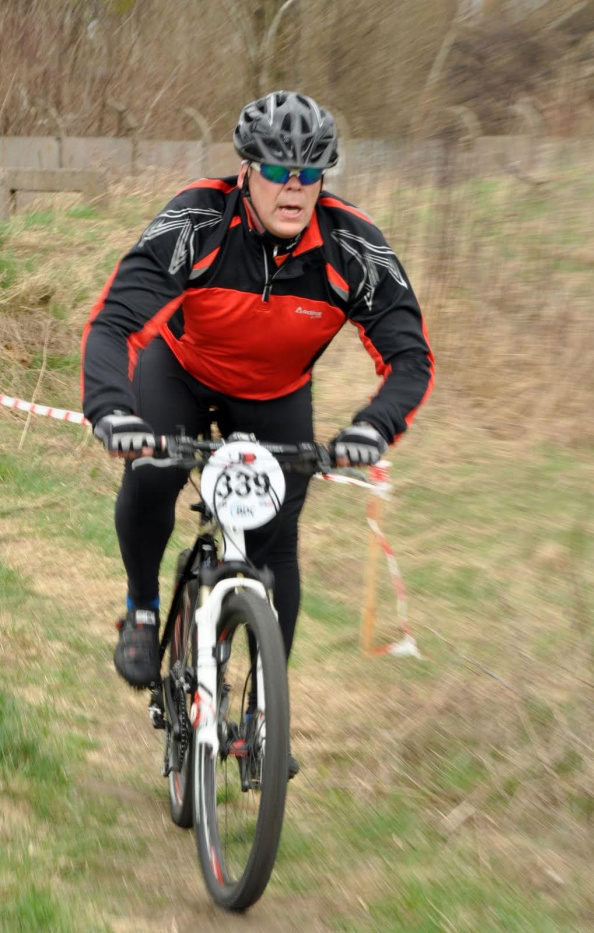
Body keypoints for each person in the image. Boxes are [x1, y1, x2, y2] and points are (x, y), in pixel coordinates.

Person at [81, 91, 434, 773]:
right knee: (151, 472)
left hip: (275, 395)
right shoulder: (196, 220)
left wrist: (372, 428)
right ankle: (144, 607)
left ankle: (264, 711)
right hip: (181, 370)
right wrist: (110, 408)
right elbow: (114, 322)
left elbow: (410, 356)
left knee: (278, 544)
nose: (294, 187)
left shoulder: (351, 246)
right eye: (277, 170)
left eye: (311, 172)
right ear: (245, 171)